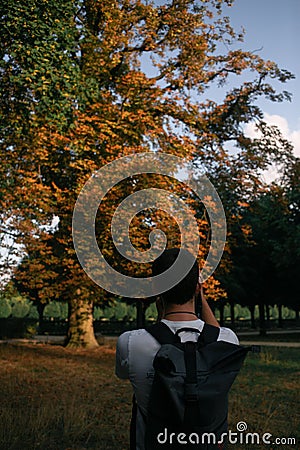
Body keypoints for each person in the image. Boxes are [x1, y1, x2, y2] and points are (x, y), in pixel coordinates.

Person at [115, 248, 239, 450]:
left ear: (155, 288)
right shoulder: (228, 341)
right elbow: (216, 341)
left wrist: (161, 318)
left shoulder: (130, 343)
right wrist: (200, 294)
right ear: (197, 288)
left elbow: (122, 374)